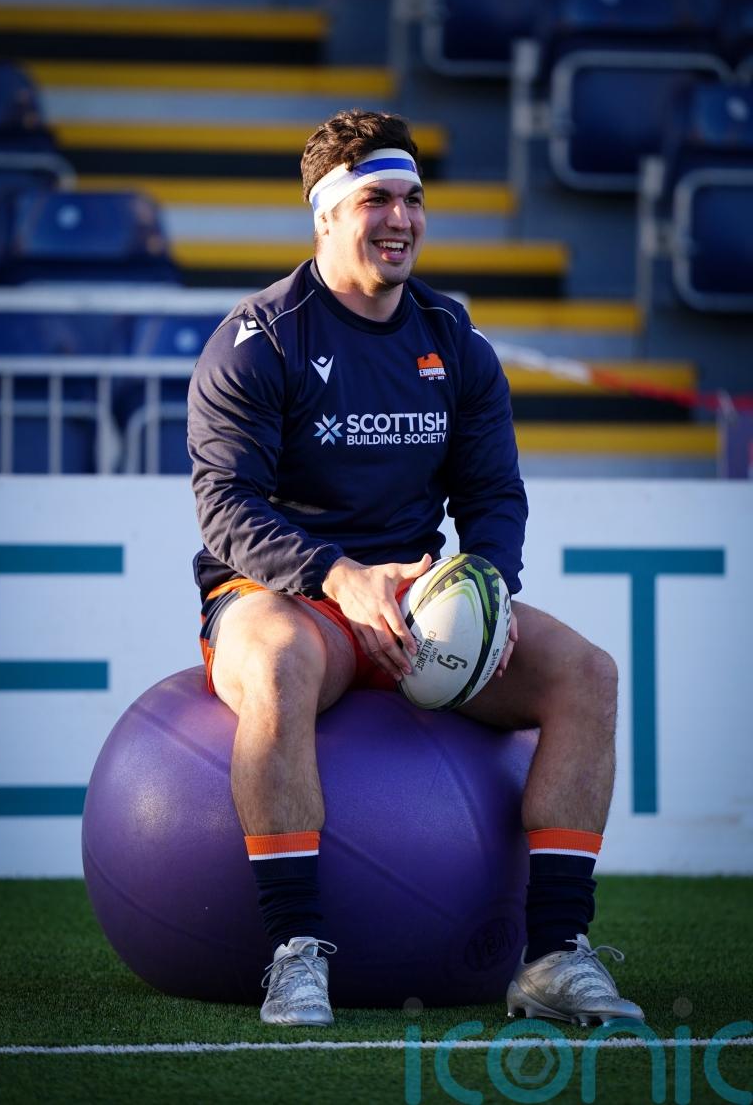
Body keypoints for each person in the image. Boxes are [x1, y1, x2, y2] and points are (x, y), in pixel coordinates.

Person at [187, 108, 643, 1028]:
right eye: (374, 201)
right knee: (276, 664)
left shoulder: (454, 338)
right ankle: (295, 950)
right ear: (325, 216)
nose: (399, 219)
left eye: (413, 199)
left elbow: (494, 495)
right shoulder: (260, 338)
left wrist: (484, 588)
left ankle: (552, 954)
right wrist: (338, 574)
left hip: (419, 601)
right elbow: (226, 508)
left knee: (588, 674)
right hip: (278, 595)